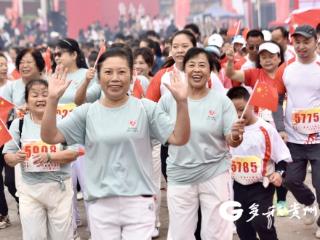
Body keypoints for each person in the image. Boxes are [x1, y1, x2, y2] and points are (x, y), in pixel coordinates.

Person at [40, 48, 190, 239]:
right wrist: (52, 99)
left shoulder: (145, 109)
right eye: (108, 72)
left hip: (139, 202)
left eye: (121, 72)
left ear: (131, 74)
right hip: (100, 203)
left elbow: (180, 138)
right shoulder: (87, 113)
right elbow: (50, 136)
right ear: (99, 77)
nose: (115, 78)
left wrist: (182, 102)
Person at [159, 47, 244, 240]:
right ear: (184, 69)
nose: (197, 70)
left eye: (202, 65)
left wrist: (237, 135)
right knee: (180, 233)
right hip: (180, 174)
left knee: (216, 232)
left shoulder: (222, 102)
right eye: (192, 65)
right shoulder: (167, 100)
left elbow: (232, 139)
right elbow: (162, 136)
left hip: (214, 173)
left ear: (211, 71)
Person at [3, 79, 78, 239]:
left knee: (62, 236)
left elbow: (73, 153)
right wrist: (16, 157)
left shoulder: (65, 121)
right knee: (33, 236)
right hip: (30, 191)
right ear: (27, 100)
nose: (40, 99)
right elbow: (8, 156)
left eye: (45, 94)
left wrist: (50, 156)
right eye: (35, 95)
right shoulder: (19, 124)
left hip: (59, 189)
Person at [273, 24, 320, 238]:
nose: (301, 46)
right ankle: (309, 201)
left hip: (319, 139)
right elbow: (276, 99)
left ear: (316, 42)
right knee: (291, 180)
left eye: (306, 41)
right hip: (293, 138)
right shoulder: (286, 68)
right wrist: (281, 128)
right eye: (297, 41)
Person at [227, 86, 291, 240]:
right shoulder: (227, 130)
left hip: (262, 186)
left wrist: (279, 173)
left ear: (251, 104)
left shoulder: (266, 129)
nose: (238, 115)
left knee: (261, 222)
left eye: (241, 109)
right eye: (232, 111)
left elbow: (283, 157)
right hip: (237, 187)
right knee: (243, 228)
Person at [53, 38, 91, 237]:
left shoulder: (88, 74)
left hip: (84, 141)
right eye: (55, 54)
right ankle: (72, 229)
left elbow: (87, 100)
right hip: (62, 142)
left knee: (88, 188)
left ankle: (97, 229)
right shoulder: (53, 76)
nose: (56, 57)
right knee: (66, 190)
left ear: (75, 54)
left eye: (61, 53)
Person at [0, 52, 16, 229]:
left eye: (5, 64)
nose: (3, 67)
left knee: (11, 181)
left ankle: (22, 202)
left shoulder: (12, 86)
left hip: (11, 134)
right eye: (0, 65)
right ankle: (3, 213)